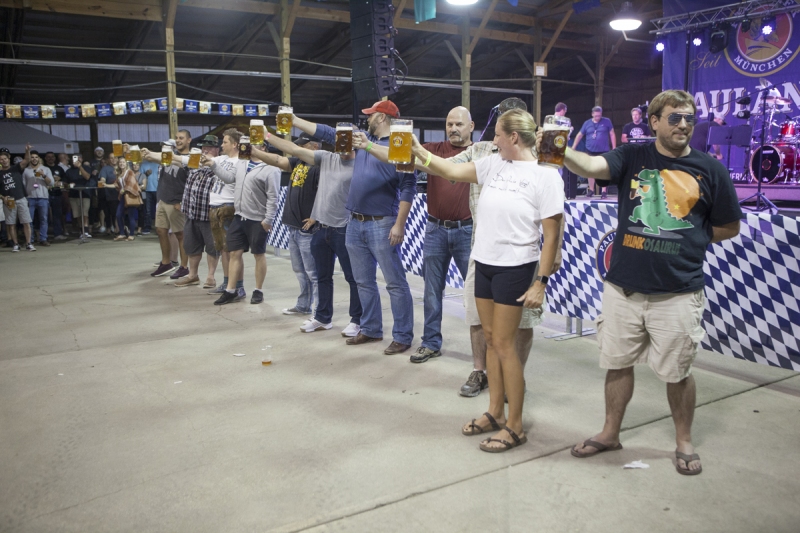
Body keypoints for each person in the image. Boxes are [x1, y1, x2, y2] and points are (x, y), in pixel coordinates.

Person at [555, 89, 742, 475]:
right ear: (654, 121)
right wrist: (558, 148)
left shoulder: (710, 169)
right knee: (617, 364)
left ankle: (684, 441)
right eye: (674, 118)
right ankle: (610, 433)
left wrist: (694, 236)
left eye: (688, 118)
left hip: (678, 292)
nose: (683, 125)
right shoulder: (632, 156)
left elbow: (729, 226)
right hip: (623, 289)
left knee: (678, 372)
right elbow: (590, 165)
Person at [403, 109, 564, 453]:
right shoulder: (493, 163)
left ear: (514, 138)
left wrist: (541, 282)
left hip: (515, 267)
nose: (493, 140)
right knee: (491, 340)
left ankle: (515, 426)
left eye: (499, 135)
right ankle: (494, 412)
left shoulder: (545, 176)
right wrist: (418, 151)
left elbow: (552, 235)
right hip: (484, 263)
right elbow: (449, 170)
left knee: (505, 346)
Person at [293, 101, 417, 355]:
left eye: (370, 115)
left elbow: (408, 187)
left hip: (382, 222)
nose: (366, 119)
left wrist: (400, 224)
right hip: (355, 221)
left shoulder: (400, 144)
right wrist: (294, 120)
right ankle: (370, 328)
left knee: (394, 283)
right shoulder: (362, 140)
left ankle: (403, 335)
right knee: (363, 281)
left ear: (381, 118)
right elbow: (328, 133)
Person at [261, 124, 362, 336]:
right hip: (321, 228)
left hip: (344, 228)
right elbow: (294, 149)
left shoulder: (362, 163)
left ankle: (357, 320)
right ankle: (323, 318)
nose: (342, 141)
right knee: (322, 276)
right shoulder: (327, 158)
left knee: (353, 278)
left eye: (347, 136)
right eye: (340, 136)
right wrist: (267, 135)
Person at [412, 106, 474, 363]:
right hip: (434, 228)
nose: (453, 129)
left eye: (459, 124)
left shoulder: (478, 153)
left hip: (467, 231)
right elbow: (405, 155)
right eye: (449, 124)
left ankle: (486, 353)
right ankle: (430, 343)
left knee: (475, 294)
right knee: (431, 291)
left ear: (471, 126)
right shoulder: (433, 150)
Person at [204, 141, 281, 305]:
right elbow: (229, 178)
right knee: (234, 253)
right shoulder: (242, 162)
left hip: (257, 219)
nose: (248, 146)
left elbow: (273, 197)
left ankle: (258, 290)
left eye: (254, 143)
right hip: (239, 216)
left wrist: (268, 219)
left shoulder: (271, 168)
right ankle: (231, 290)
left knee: (258, 254)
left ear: (263, 148)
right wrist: (213, 165)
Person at [255, 132, 322, 316]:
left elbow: (326, 192)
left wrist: (316, 216)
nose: (298, 149)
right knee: (300, 270)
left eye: (303, 146)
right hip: (294, 226)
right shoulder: (298, 161)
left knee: (313, 272)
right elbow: (277, 160)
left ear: (315, 146)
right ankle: (303, 305)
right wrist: (255, 152)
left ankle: (320, 312)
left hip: (309, 229)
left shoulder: (320, 165)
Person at [173, 135, 221, 288]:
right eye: (203, 147)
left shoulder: (219, 165)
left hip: (209, 215)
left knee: (212, 248)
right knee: (191, 246)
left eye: (209, 147)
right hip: (192, 213)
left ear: (217, 150)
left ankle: (210, 277)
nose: (205, 150)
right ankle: (192, 275)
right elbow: (175, 160)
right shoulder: (194, 163)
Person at [142, 130, 192, 278]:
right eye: (176, 138)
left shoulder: (190, 158)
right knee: (160, 230)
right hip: (163, 199)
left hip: (176, 201)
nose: (178, 140)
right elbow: (155, 157)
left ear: (189, 140)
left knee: (180, 234)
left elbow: (191, 183)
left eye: (181, 138)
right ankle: (166, 263)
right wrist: (144, 152)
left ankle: (184, 267)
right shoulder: (168, 156)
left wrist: (183, 202)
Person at [207, 129, 246, 298]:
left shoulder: (241, 162)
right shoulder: (222, 159)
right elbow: (190, 160)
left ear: (235, 144)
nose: (221, 145)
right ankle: (226, 282)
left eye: (225, 142)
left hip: (228, 207)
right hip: (215, 207)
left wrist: (212, 164)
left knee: (233, 250)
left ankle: (239, 286)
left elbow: (229, 178)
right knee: (223, 249)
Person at [572, 106, 616, 199]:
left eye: (599, 116)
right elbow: (579, 135)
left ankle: (604, 191)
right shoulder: (587, 123)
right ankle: (591, 190)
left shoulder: (607, 121)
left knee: (604, 171)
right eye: (596, 116)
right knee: (590, 170)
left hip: (604, 150)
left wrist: (614, 147)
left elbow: (612, 134)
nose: (597, 117)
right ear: (592, 114)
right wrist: (573, 147)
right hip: (590, 150)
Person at [1, 145, 34, 251]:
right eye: (1, 159)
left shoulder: (15, 168)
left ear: (8, 158)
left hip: (20, 198)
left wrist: (27, 150)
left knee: (26, 222)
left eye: (5, 158)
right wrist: (3, 197)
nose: (3, 161)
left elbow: (27, 160)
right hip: (9, 201)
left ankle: (29, 243)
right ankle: (15, 244)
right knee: (11, 224)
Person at [23, 150, 54, 247]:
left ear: (39, 158)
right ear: (30, 159)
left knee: (43, 219)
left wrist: (43, 175)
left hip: (43, 197)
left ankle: (43, 238)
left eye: (36, 157)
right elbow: (23, 185)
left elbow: (51, 183)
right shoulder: (26, 170)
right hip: (30, 197)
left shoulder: (46, 169)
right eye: (32, 157)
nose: (34, 159)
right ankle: (30, 240)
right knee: (29, 220)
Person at [63, 155, 93, 238]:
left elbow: (87, 177)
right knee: (77, 214)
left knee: (84, 212)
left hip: (85, 194)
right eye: (75, 158)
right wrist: (68, 185)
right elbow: (64, 182)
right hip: (73, 194)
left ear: (82, 159)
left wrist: (80, 167)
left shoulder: (86, 168)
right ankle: (81, 231)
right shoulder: (69, 171)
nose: (77, 159)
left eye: (79, 158)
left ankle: (86, 231)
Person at [113, 157, 140, 241]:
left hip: (130, 196)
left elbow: (131, 184)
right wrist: (105, 185)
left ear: (126, 163)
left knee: (131, 216)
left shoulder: (130, 172)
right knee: (118, 215)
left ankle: (131, 235)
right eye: (120, 162)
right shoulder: (119, 174)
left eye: (123, 162)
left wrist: (123, 190)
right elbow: (116, 185)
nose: (122, 164)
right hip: (123, 197)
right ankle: (122, 233)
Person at [44, 152, 67, 240]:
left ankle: (57, 234)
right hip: (46, 194)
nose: (50, 158)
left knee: (57, 215)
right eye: (48, 157)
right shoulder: (43, 168)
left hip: (57, 194)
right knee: (44, 215)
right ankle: (44, 235)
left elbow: (65, 180)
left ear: (54, 158)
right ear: (45, 158)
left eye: (52, 157)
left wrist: (60, 181)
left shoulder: (59, 168)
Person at [98, 154, 119, 235]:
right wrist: (102, 181)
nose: (113, 159)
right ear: (108, 159)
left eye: (115, 157)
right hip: (108, 194)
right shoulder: (105, 168)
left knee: (116, 212)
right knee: (107, 212)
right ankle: (109, 228)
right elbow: (102, 179)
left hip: (119, 193)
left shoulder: (121, 167)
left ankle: (117, 228)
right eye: (111, 158)